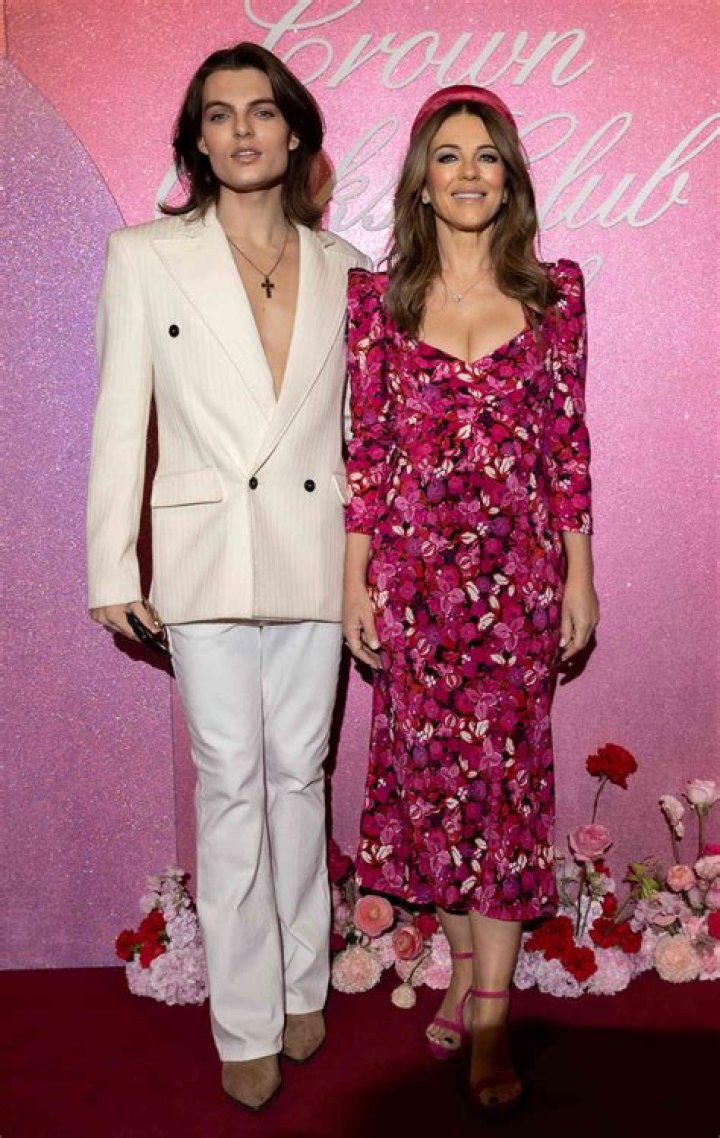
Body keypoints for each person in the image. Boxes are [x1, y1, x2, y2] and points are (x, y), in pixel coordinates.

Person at [87, 42, 370, 1111]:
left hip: (313, 546)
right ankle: (245, 1017)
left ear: (295, 133)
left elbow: (360, 433)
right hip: (202, 552)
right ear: (197, 140)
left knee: (300, 774)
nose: (243, 129)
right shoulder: (144, 255)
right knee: (230, 781)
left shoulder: (346, 265)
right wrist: (111, 563)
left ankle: (302, 982)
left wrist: (373, 568)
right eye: (219, 113)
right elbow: (122, 418)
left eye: (261, 110)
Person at [342, 84, 598, 1114]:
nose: (467, 173)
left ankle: (491, 1011)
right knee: (427, 791)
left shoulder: (555, 293)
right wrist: (354, 580)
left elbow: (568, 445)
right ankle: (461, 965)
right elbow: (365, 454)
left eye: (487, 156)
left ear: (510, 179)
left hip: (518, 583)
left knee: (503, 790)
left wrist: (581, 571)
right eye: (448, 156)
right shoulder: (377, 302)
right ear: (421, 180)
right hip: (413, 584)